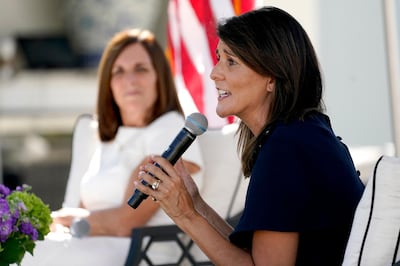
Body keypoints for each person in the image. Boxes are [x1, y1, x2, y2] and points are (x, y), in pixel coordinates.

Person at [134, 6, 365, 266]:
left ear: (272, 77)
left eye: (231, 61)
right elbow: (253, 256)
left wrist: (185, 214)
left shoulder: (286, 148)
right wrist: (195, 203)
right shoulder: (301, 133)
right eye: (218, 58)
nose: (214, 73)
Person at [21, 28, 204, 265]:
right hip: (91, 245)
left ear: (160, 76)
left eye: (141, 69)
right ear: (108, 83)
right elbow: (80, 212)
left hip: (143, 251)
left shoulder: (171, 130)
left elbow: (125, 222)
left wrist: (61, 220)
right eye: (119, 71)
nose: (130, 80)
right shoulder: (100, 138)